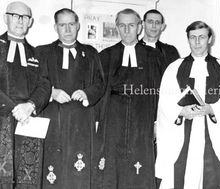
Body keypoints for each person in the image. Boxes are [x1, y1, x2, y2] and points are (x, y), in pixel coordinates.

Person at [155, 21, 220, 189]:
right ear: (188, 40)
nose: (197, 42)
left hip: (212, 131)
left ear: (210, 39)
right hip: (182, 132)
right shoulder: (174, 68)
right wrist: (181, 111)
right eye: (193, 37)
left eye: (202, 37)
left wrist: (212, 108)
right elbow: (165, 102)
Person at [36, 8, 105, 189]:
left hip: (81, 121)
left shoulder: (90, 53)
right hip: (52, 120)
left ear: (78, 26)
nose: (67, 29)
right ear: (55, 27)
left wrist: (87, 93)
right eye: (62, 25)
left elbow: (100, 83)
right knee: (52, 170)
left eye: (71, 24)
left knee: (79, 172)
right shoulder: (42, 52)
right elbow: (34, 83)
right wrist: (51, 92)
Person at [95, 9, 163, 189]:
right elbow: (100, 91)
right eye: (122, 26)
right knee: (113, 166)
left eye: (131, 25)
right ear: (117, 27)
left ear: (139, 27)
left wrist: (157, 121)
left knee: (140, 165)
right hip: (113, 117)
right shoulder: (106, 55)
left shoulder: (153, 55)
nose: (127, 30)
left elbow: (159, 90)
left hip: (143, 116)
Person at [0, 1, 50, 188]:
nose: (21, 21)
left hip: (28, 118)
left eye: (25, 17)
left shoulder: (36, 53)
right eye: (16, 16)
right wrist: (14, 108)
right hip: (2, 115)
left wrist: (30, 106)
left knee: (28, 177)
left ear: (30, 22)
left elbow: (44, 85)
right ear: (6, 18)